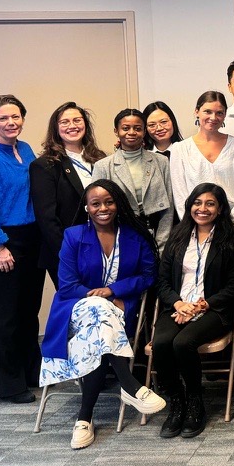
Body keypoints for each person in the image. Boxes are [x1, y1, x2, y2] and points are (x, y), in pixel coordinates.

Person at [39, 180, 166, 449]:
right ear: (87, 207)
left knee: (99, 336)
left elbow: (148, 275)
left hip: (118, 313)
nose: (103, 208)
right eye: (95, 203)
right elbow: (68, 285)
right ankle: (131, 386)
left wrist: (112, 290)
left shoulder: (135, 236)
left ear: (117, 204)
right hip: (76, 311)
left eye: (108, 201)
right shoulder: (74, 236)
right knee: (98, 312)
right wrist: (102, 299)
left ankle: (84, 419)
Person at [153, 183, 234, 439]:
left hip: (214, 310)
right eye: (197, 202)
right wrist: (178, 303)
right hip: (177, 307)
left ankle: (195, 402)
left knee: (183, 343)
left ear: (219, 209)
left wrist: (204, 304)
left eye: (210, 203)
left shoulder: (231, 238)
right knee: (161, 343)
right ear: (189, 205)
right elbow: (161, 280)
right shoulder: (178, 235)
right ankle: (176, 401)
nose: (202, 209)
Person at [0, 95, 42, 402]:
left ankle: (32, 372)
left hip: (31, 238)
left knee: (28, 312)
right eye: (3, 118)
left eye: (16, 116)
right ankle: (7, 385)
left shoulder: (26, 149)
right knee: (5, 315)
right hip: (2, 241)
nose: (11, 123)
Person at [30, 102, 107, 288]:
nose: (72, 126)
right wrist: (68, 254)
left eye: (77, 120)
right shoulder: (45, 166)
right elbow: (47, 219)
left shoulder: (101, 159)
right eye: (64, 122)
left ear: (85, 125)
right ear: (56, 129)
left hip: (103, 246)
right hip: (68, 251)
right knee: (78, 307)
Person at [92, 108, 174, 253]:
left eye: (137, 128)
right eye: (125, 128)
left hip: (156, 235)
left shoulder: (161, 161)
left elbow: (168, 208)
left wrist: (161, 245)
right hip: (120, 238)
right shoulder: (103, 166)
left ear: (144, 131)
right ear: (116, 131)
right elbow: (98, 210)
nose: (131, 132)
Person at [169, 91, 234, 231]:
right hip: (195, 226)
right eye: (207, 111)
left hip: (233, 225)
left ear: (225, 115)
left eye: (219, 113)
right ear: (197, 112)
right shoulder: (180, 149)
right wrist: (193, 226)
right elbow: (180, 194)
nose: (213, 117)